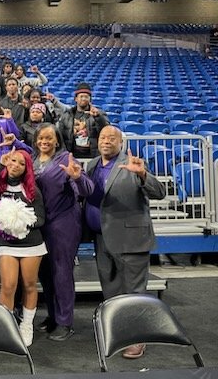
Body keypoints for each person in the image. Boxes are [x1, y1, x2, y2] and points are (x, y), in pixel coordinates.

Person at [84, 125, 166, 359]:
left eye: (112, 138)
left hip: (131, 239)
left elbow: (159, 192)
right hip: (102, 239)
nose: (106, 141)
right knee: (110, 291)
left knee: (134, 292)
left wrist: (142, 175)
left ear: (121, 143)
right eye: (102, 137)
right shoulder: (91, 165)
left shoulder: (134, 163)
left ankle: (137, 338)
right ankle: (119, 333)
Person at [32, 124, 94, 341]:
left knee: (61, 272)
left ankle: (65, 322)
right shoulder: (32, 161)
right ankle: (52, 316)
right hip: (41, 224)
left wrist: (77, 177)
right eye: (41, 138)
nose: (45, 141)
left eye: (49, 138)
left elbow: (88, 189)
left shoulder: (66, 159)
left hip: (64, 222)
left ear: (57, 140)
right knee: (45, 273)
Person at [0, 148, 46, 346]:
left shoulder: (32, 190)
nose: (16, 166)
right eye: (13, 161)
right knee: (8, 285)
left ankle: (26, 324)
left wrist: (20, 220)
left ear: (26, 169)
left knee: (29, 285)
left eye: (22, 164)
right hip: (8, 244)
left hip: (31, 244)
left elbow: (41, 219)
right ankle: (7, 324)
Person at [58, 82, 109, 159]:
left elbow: (107, 130)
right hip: (72, 156)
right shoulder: (67, 115)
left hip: (93, 156)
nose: (84, 99)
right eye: (81, 96)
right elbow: (60, 136)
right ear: (76, 99)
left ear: (90, 99)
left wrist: (98, 117)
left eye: (86, 97)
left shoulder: (99, 114)